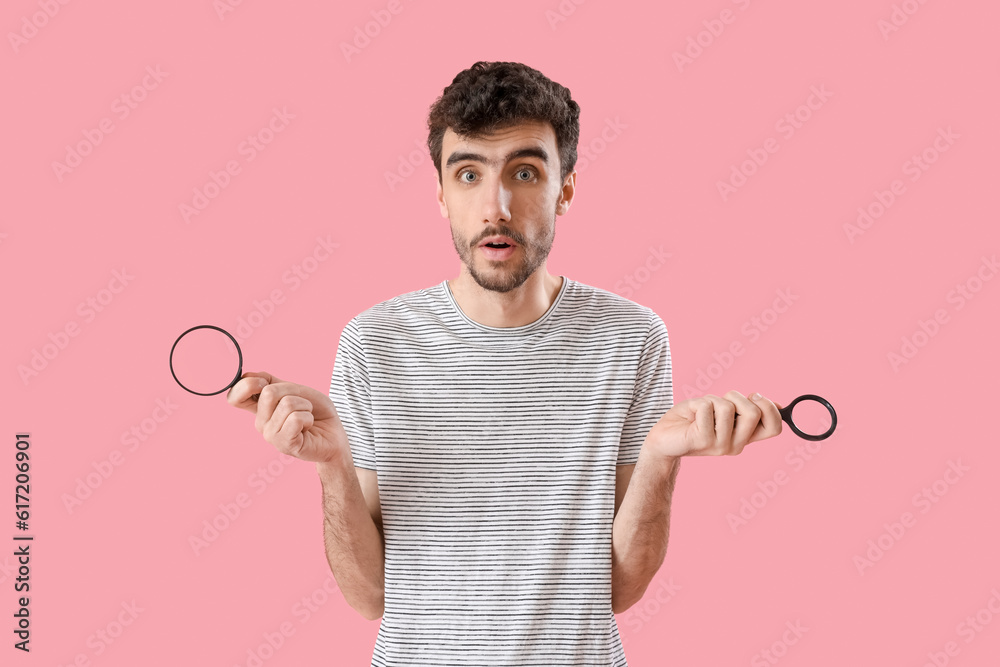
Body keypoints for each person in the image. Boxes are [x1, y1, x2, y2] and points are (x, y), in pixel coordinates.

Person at [227, 61, 783, 667]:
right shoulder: (374, 341)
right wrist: (333, 464)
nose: (496, 206)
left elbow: (618, 592)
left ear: (564, 189)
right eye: (468, 174)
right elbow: (370, 599)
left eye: (524, 172)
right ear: (440, 193)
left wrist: (659, 459)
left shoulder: (631, 337)